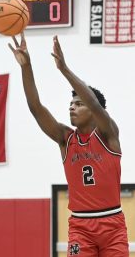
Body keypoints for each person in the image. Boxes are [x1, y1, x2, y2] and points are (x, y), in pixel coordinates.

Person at [9, 33, 129, 256]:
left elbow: (94, 102)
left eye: (78, 104)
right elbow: (36, 108)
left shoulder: (107, 134)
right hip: (80, 227)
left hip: (112, 226)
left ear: (93, 112)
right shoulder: (65, 138)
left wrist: (63, 69)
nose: (72, 107)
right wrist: (26, 66)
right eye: (71, 103)